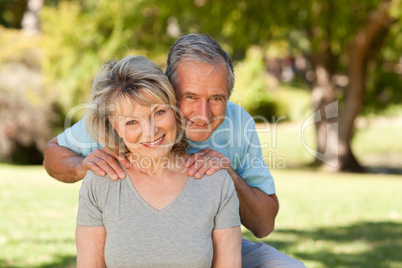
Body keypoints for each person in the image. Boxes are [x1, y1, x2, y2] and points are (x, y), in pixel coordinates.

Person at [44, 34, 305, 267]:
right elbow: (54, 153)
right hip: (132, 238)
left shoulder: (239, 123)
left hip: (209, 236)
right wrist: (82, 165)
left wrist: (229, 175)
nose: (203, 114)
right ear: (167, 89)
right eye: (190, 96)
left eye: (216, 98)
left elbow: (264, 224)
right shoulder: (132, 109)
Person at [75, 55, 242, 267]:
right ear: (115, 126)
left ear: (175, 110)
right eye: (132, 121)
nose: (151, 131)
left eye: (159, 112)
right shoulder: (99, 183)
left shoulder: (215, 181)